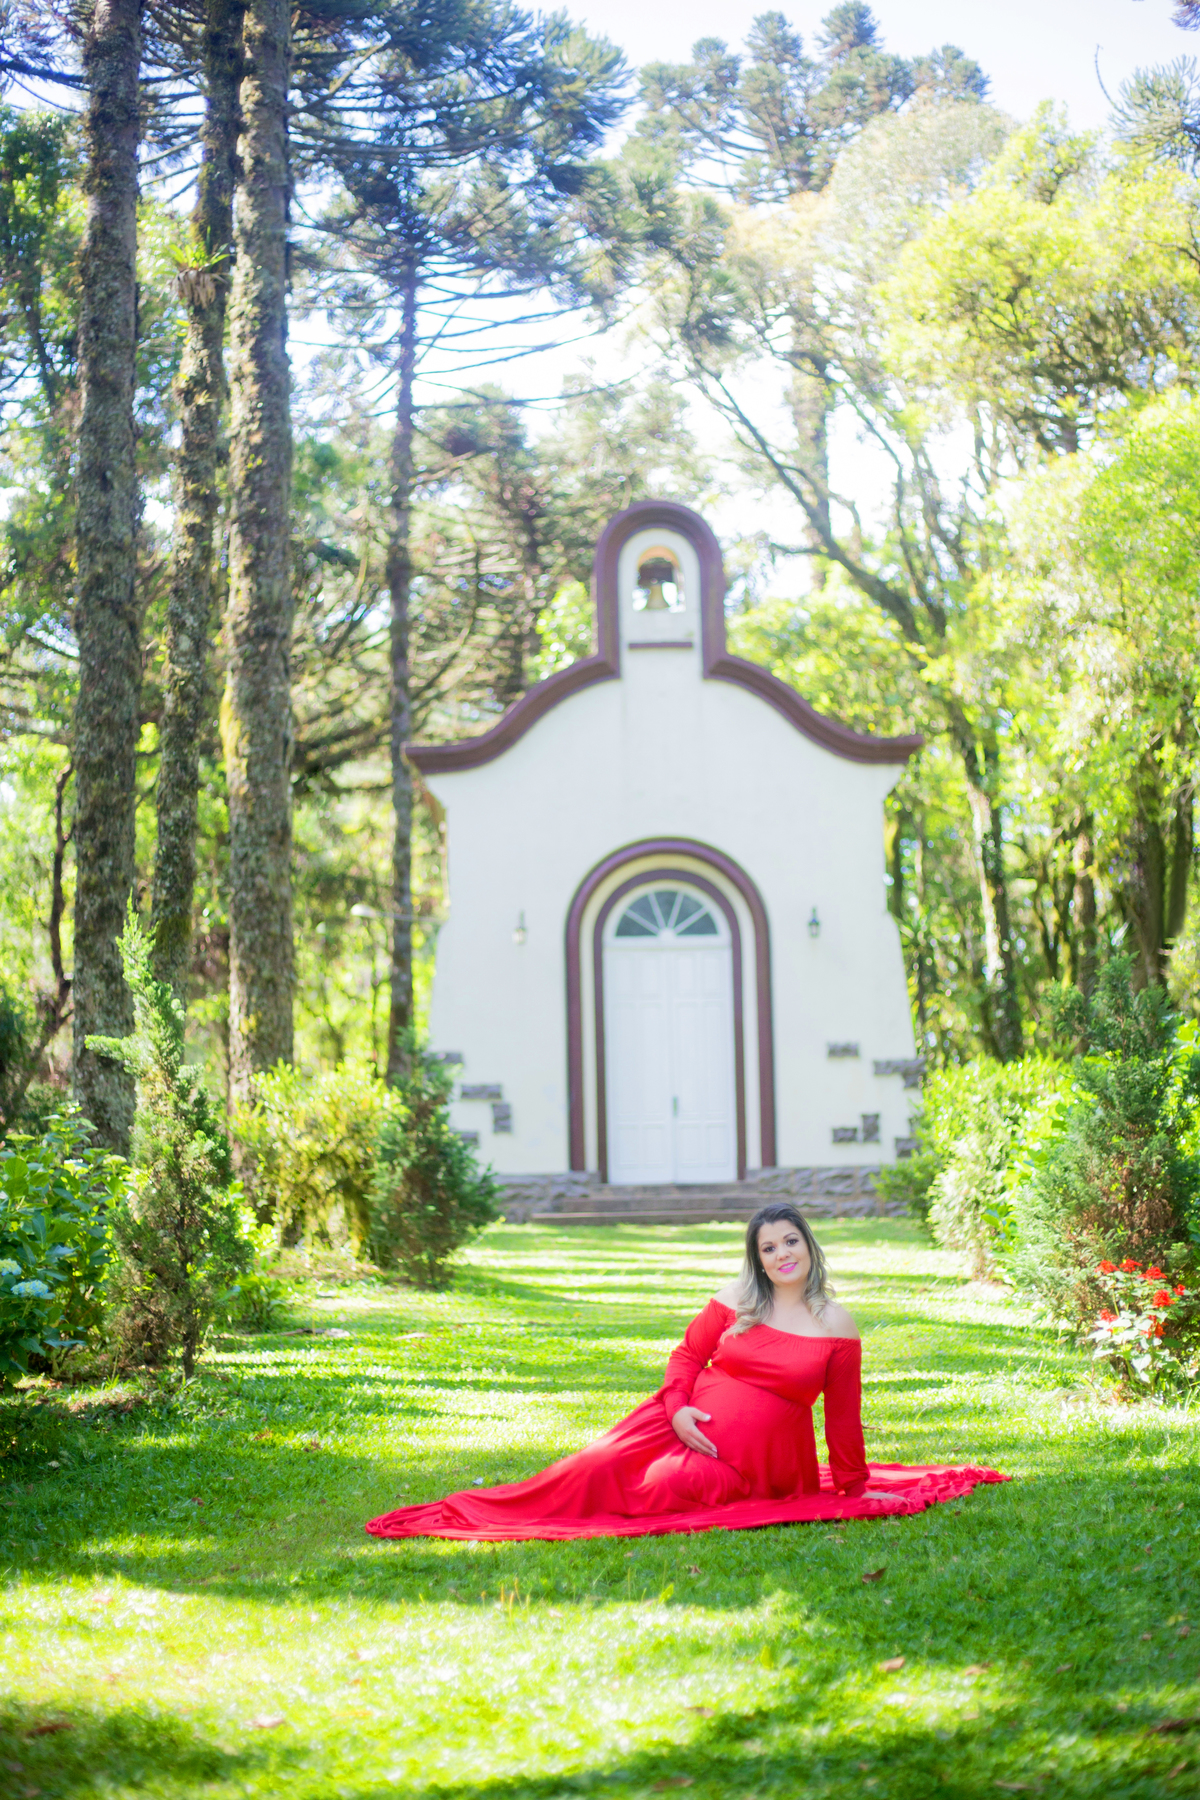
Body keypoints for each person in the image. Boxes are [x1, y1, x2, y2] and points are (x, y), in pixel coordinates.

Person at [366, 1203, 1005, 1543]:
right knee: (584, 1471)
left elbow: (842, 1418)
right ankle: (488, 1511)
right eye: (768, 1246)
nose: (782, 1254)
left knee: (653, 1492)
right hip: (673, 1419)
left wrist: (856, 1487)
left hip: (752, 1463)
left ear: (809, 1245)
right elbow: (685, 1356)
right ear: (757, 1258)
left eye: (791, 1241)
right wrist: (676, 1409)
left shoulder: (836, 1324)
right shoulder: (740, 1299)